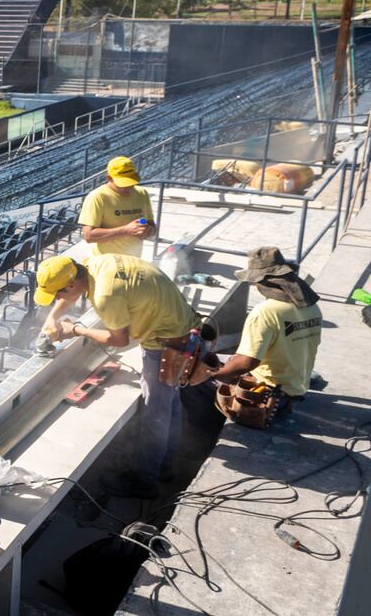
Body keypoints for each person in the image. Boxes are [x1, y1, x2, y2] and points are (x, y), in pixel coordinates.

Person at [36, 252, 196, 497]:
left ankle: (145, 481)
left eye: (59, 294)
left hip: (166, 341)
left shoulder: (105, 295)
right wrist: (53, 317)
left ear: (70, 284)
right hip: (178, 323)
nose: (58, 298)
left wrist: (75, 330)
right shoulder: (92, 264)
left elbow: (119, 340)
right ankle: (165, 466)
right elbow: (73, 293)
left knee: (156, 413)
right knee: (169, 403)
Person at [191, 247, 322, 420]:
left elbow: (247, 362)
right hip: (296, 388)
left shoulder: (265, 312)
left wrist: (211, 375)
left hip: (269, 395)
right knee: (220, 360)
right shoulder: (312, 307)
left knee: (191, 382)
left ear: (264, 281)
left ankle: (203, 433)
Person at [78, 156, 155, 258]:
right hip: (106, 264)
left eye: (131, 182)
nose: (128, 187)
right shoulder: (97, 197)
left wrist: (148, 231)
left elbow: (152, 227)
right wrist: (126, 230)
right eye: (123, 184)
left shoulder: (142, 193)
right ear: (109, 178)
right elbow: (88, 236)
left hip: (133, 262)